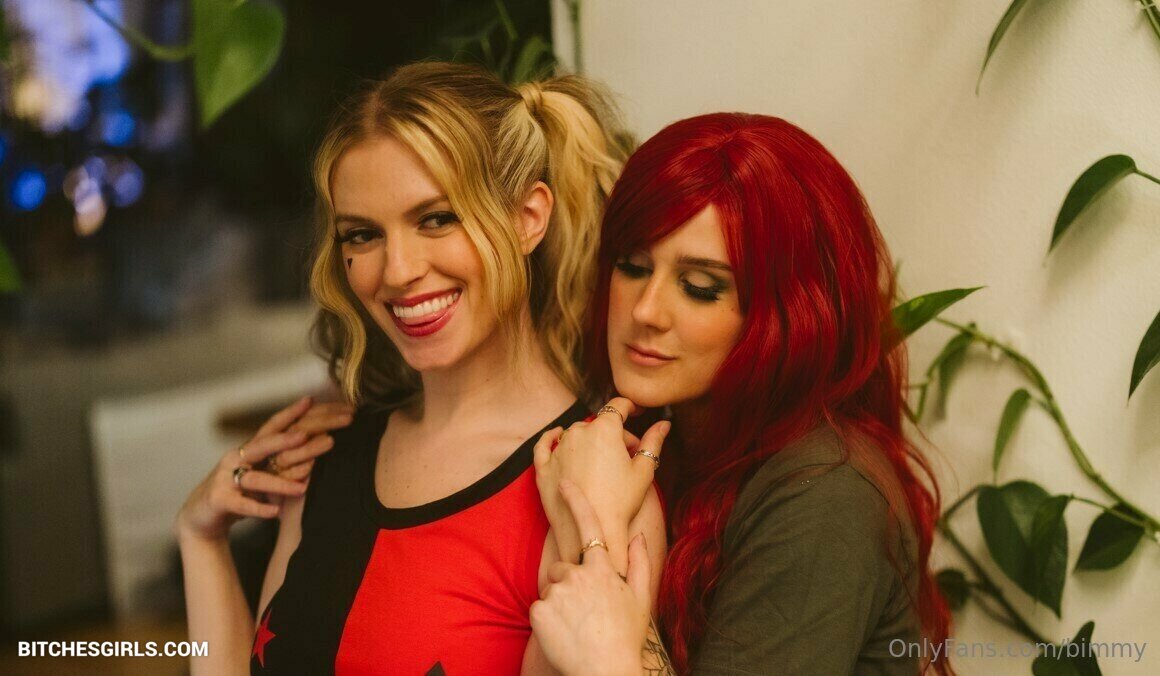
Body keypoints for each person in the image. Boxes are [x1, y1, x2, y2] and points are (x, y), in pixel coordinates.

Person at [174, 62, 668, 675]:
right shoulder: (329, 458)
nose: (398, 271)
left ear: (527, 218)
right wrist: (202, 539)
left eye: (436, 218)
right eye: (362, 235)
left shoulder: (590, 489)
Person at [529, 113, 954, 675]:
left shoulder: (825, 493)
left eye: (700, 287)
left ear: (790, 312)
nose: (645, 310)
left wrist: (598, 543)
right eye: (632, 266)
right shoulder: (667, 442)